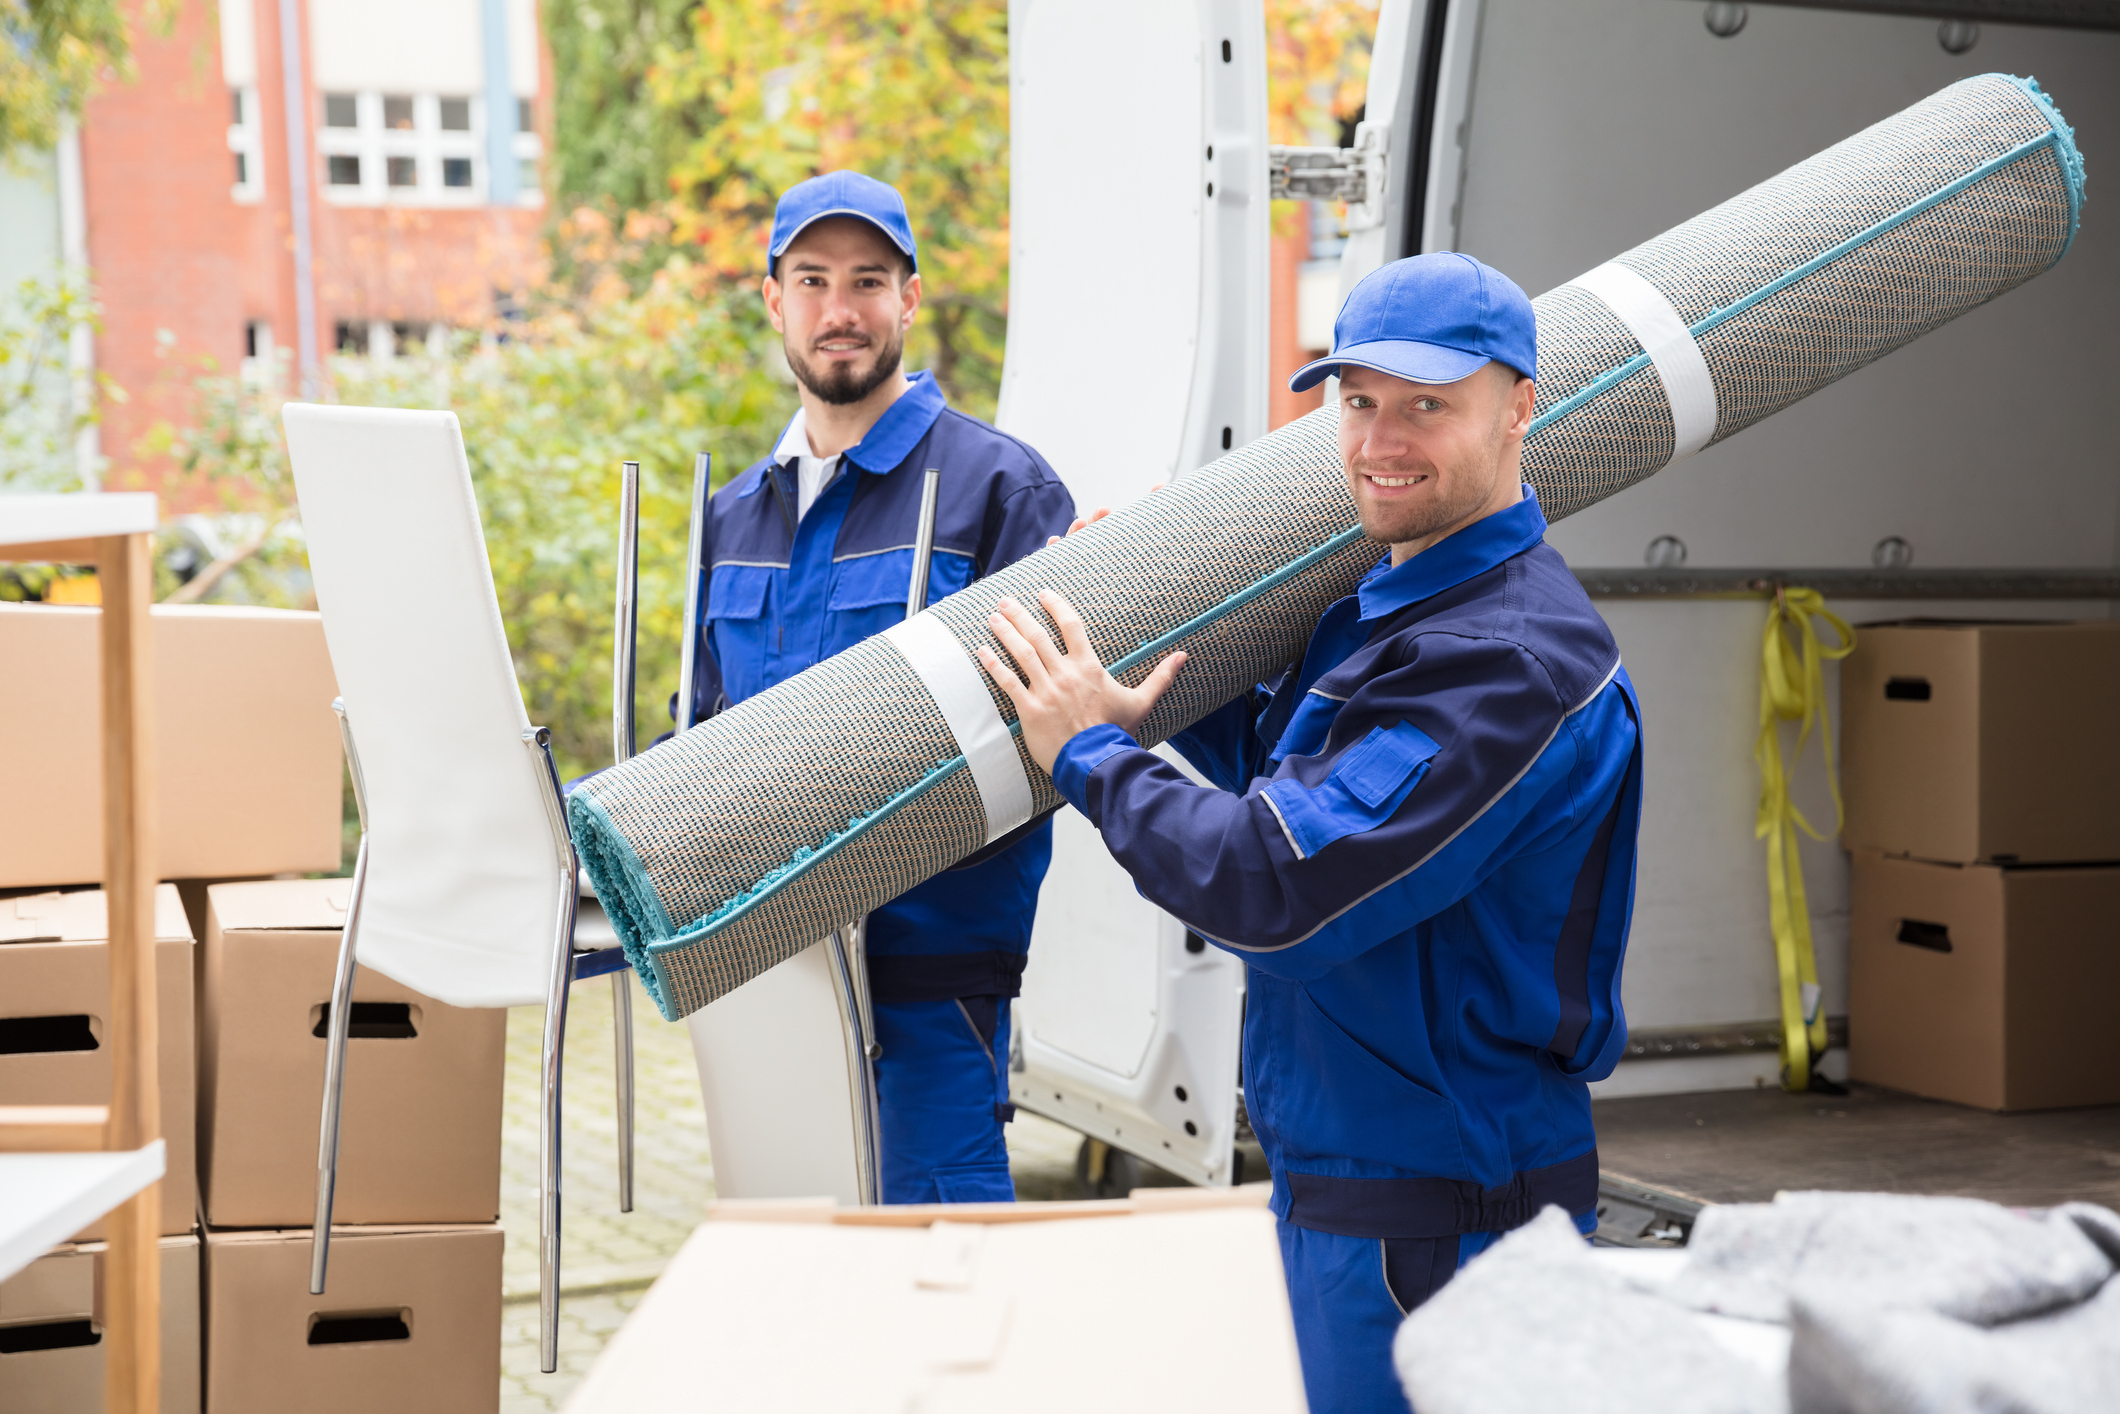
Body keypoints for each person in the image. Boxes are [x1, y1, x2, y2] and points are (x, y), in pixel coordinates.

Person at [975, 252, 1642, 1412]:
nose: (1380, 439)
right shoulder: (1395, 608)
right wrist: (1152, 670)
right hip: (1358, 1198)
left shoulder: (1506, 663)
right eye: (1359, 401)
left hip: (1442, 1231)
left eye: (1425, 404)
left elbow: (1276, 888)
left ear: (1519, 405)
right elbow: (1300, 792)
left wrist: (1092, 754)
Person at [680, 170, 1076, 1204]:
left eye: (867, 280)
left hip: (927, 987)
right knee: (797, 1283)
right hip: (765, 980)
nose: (839, 310)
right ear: (773, 300)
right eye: (811, 280)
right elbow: (695, 745)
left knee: (944, 1289)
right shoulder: (730, 519)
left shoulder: (999, 488)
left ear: (909, 297)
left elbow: (1049, 747)